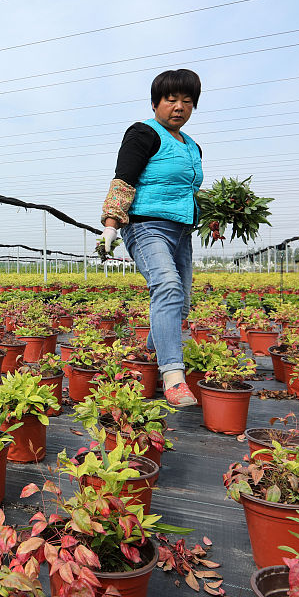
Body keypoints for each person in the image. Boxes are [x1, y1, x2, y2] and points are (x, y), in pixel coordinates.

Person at [99, 69, 203, 406]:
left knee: (180, 304)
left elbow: (189, 192)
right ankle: (173, 377)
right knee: (167, 287)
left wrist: (211, 217)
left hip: (181, 232)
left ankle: (149, 358)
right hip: (145, 227)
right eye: (171, 99)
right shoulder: (144, 133)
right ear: (156, 102)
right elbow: (124, 180)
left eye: (187, 101)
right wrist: (111, 226)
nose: (178, 107)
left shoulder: (193, 147)